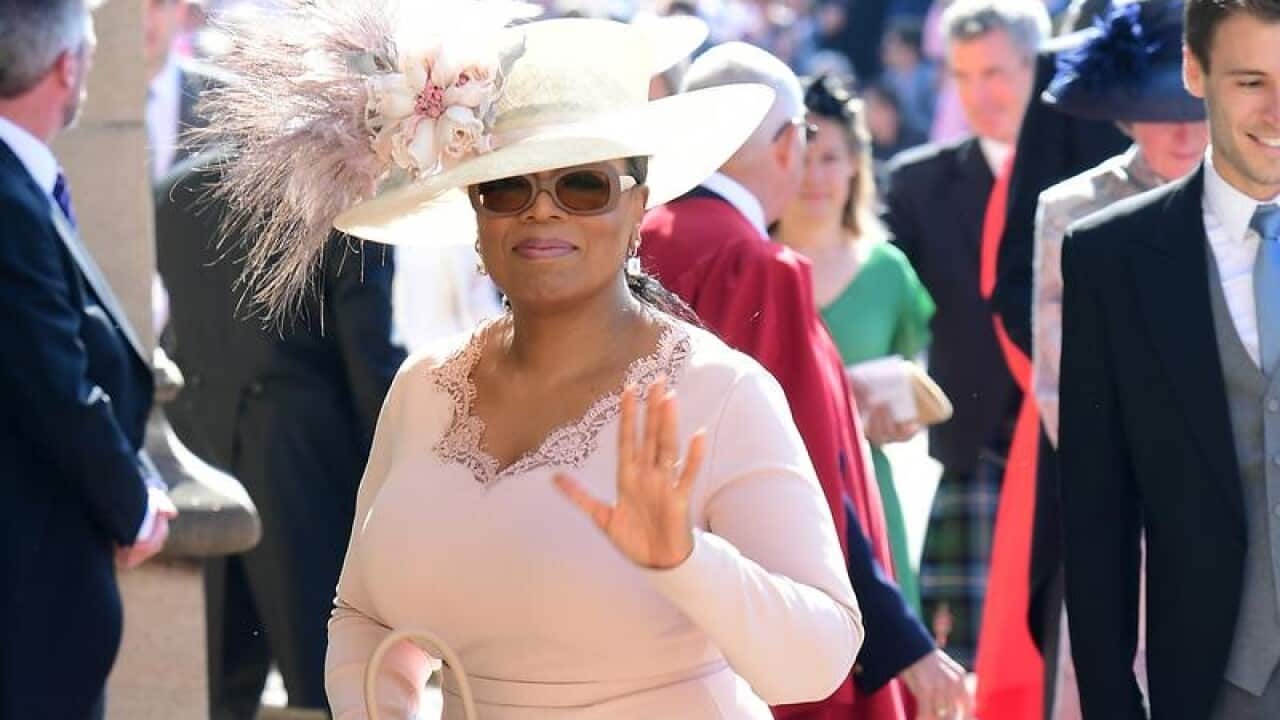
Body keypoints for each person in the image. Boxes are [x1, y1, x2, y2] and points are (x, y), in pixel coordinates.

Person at [202, 7, 863, 718]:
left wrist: (688, 561)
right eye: (508, 186)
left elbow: (819, 660)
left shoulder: (721, 392)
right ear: (478, 214)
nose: (542, 211)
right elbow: (363, 615)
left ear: (637, 208)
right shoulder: (424, 387)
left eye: (583, 185)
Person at [642, 43, 966, 720]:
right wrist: (896, 634)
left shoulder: (645, 236)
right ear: (789, 143)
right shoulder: (755, 263)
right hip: (750, 621)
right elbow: (799, 474)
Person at [1058, 0, 1280, 716]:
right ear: (1194, 70)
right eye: (1252, 81)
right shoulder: (1109, 258)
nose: (1277, 112)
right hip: (1216, 685)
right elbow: (1097, 511)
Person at [1030, 2, 1209, 717]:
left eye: (1197, 108)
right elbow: (1062, 387)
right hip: (1127, 517)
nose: (1183, 130)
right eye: (1160, 109)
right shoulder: (1073, 210)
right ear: (1126, 113)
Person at [0, 0, 177, 717]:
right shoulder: (9, 201)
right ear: (66, 68)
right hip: (27, 616)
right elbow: (55, 386)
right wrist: (134, 508)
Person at [881, 0, 1048, 669]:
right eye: (963, 75)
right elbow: (878, 287)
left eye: (996, 72)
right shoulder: (918, 183)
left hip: (1073, 444)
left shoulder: (1090, 173)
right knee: (970, 661)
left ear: (1038, 66)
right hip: (974, 446)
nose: (980, 94)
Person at [777, 73, 934, 623]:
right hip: (773, 494)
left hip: (865, 494)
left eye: (831, 158)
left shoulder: (889, 271)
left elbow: (912, 378)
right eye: (804, 156)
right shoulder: (749, 262)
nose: (816, 176)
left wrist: (901, 419)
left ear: (856, 165)